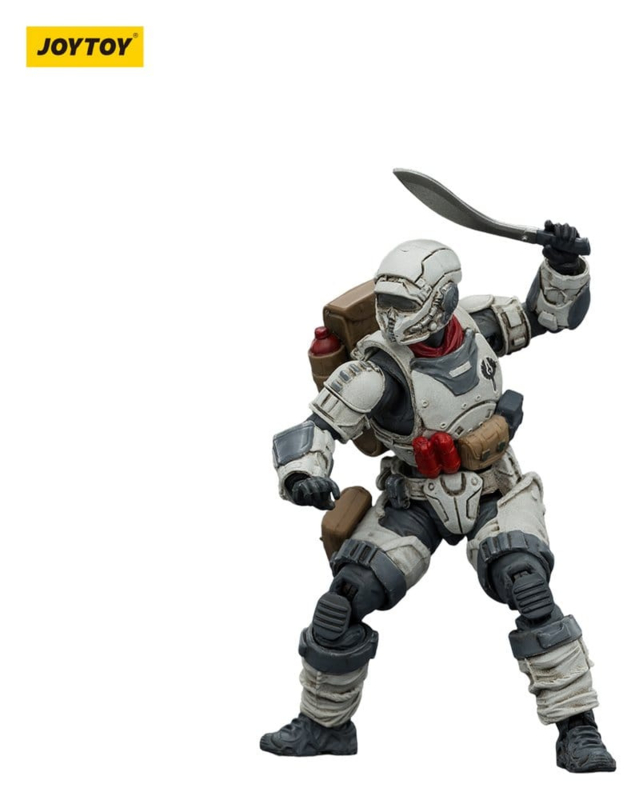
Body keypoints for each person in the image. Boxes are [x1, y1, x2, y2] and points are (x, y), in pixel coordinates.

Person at [261, 224, 615, 772]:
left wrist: (563, 267)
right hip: (416, 496)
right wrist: (303, 474)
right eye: (385, 301)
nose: (390, 316)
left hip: (493, 484)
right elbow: (316, 427)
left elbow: (547, 316)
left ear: (443, 298)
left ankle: (578, 727)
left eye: (404, 303)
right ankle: (324, 726)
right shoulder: (376, 370)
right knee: (343, 601)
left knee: (526, 582)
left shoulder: (478, 324)